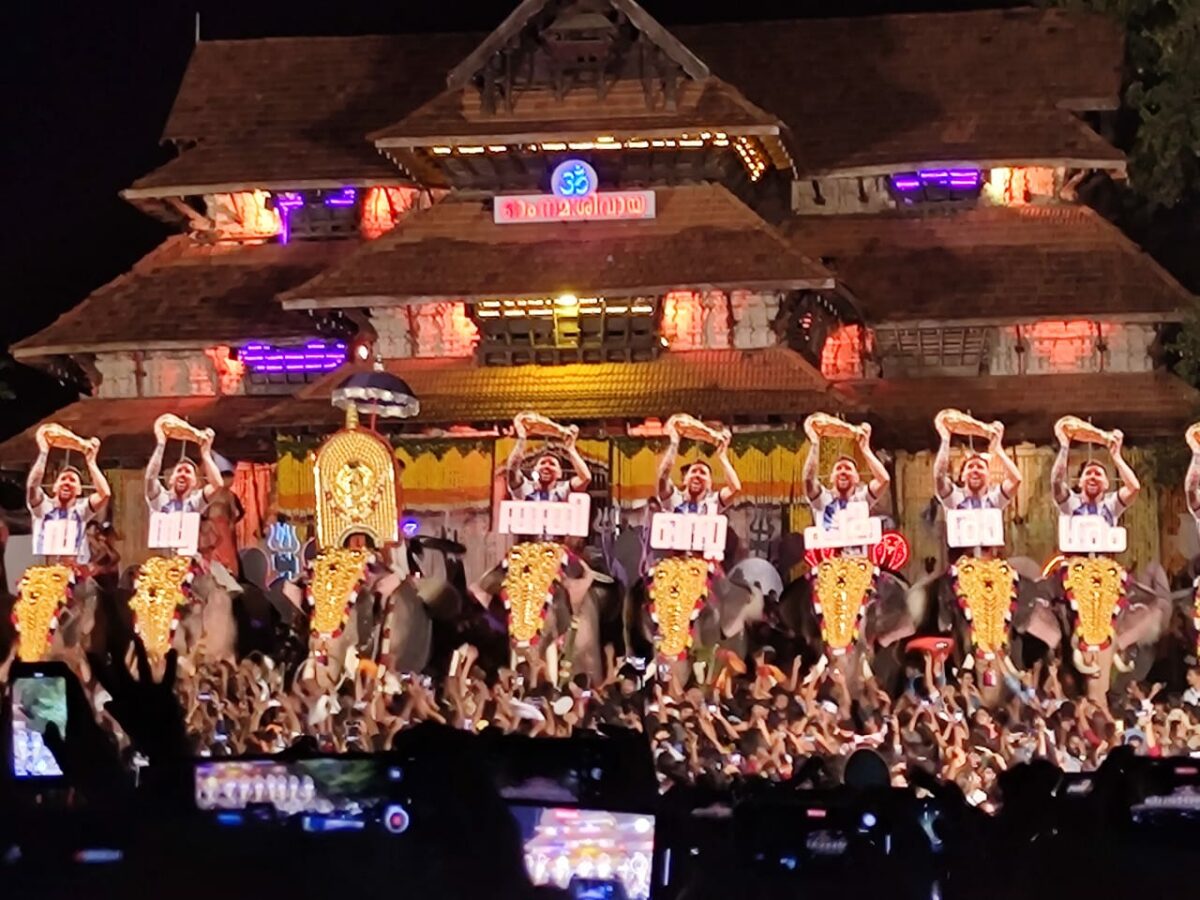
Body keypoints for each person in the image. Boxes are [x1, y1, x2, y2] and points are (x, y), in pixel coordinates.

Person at [27, 432, 111, 564]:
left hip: (70, 574)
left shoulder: (81, 510)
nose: (67, 482)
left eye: (72, 480)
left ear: (79, 490)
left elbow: (104, 494)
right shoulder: (43, 507)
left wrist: (91, 462)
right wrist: (43, 453)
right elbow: (32, 486)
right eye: (63, 479)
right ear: (54, 487)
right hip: (43, 574)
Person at [803, 420, 889, 532]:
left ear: (857, 478)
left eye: (848, 469)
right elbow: (808, 480)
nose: (843, 472)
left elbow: (884, 480)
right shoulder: (822, 499)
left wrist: (865, 449)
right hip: (828, 548)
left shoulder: (862, 499)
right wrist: (815, 443)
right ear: (831, 477)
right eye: (838, 468)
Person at [1051, 428, 1139, 525]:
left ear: (1106, 484)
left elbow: (1133, 488)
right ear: (1080, 482)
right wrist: (1064, 446)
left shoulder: (1111, 505)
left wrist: (1116, 456)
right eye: (1088, 473)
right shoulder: (1070, 503)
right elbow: (1056, 482)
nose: (1092, 477)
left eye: (1098, 474)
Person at [934, 419, 1021, 512]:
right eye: (970, 466)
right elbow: (939, 477)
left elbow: (1015, 480)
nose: (975, 470)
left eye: (980, 467)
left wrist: (998, 449)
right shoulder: (954, 498)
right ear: (962, 476)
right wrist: (945, 439)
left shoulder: (995, 499)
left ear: (989, 477)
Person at [145, 422, 224, 514]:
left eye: (188, 472)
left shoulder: (196, 502)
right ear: (171, 479)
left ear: (195, 483)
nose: (183, 474)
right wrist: (161, 444)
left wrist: (206, 453)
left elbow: (217, 485)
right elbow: (150, 477)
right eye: (179, 470)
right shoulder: (159, 498)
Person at [656, 427, 740, 514]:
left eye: (703, 473)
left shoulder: (713, 503)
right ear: (685, 479)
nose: (697, 475)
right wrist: (674, 443)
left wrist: (722, 456)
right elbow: (663, 476)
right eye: (693, 471)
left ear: (710, 484)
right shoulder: (673, 498)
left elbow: (734, 489)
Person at [506, 421, 591, 501]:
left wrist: (571, 449)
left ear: (559, 473)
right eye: (542, 463)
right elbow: (512, 469)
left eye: (552, 464)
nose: (546, 466)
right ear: (534, 469)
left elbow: (585, 478)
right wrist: (522, 438)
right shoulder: (524, 489)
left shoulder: (564, 491)